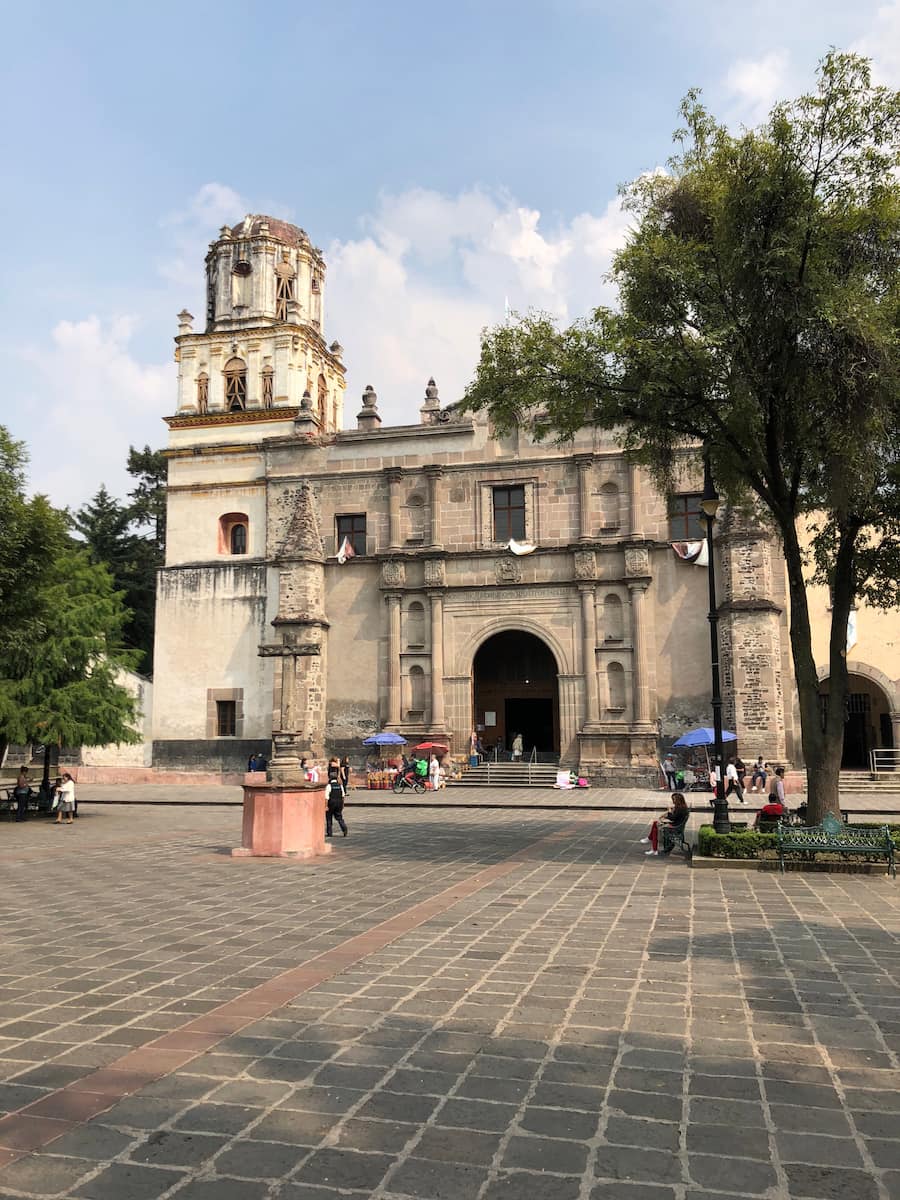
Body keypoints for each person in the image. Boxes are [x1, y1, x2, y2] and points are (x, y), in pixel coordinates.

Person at [325, 757, 348, 837]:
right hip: (339, 803)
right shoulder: (340, 786)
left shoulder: (329, 786)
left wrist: (326, 806)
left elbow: (326, 797)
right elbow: (343, 796)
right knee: (339, 817)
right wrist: (343, 804)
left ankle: (329, 832)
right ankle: (344, 828)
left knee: (329, 818)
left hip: (331, 803)